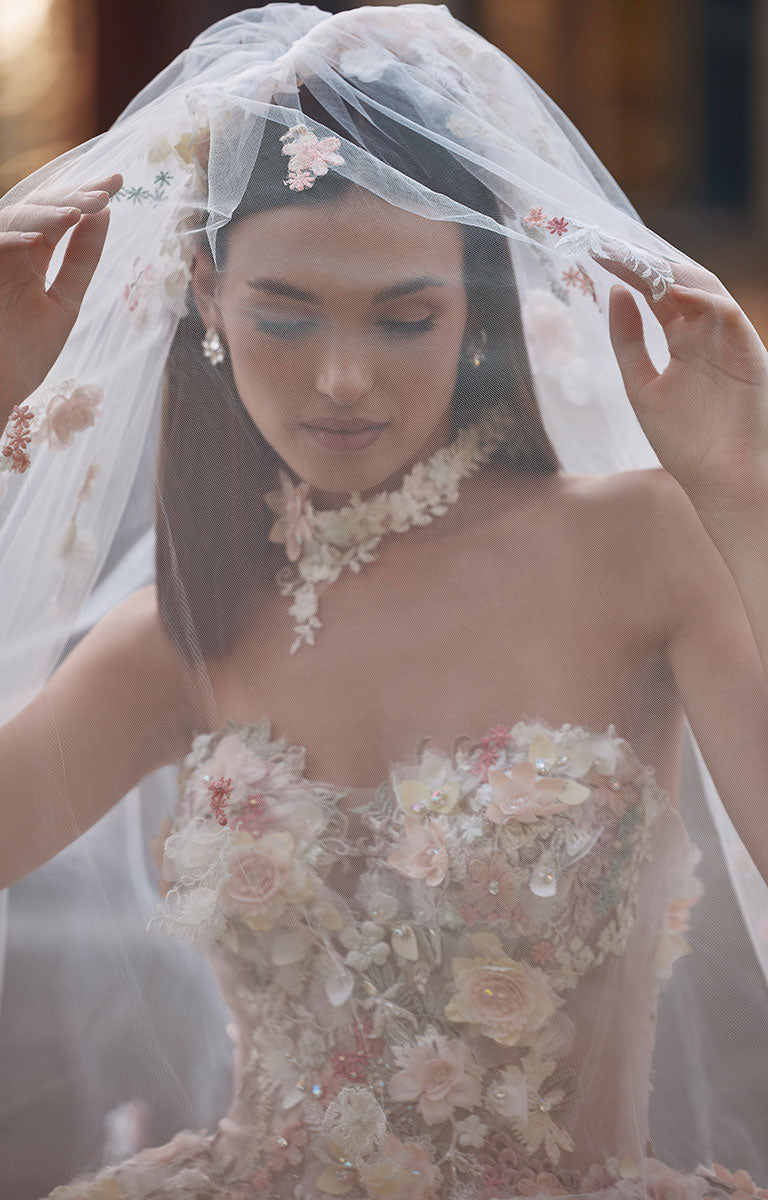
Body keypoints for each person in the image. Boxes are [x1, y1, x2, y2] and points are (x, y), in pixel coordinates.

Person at [0, 4, 767, 1197]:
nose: (343, 377)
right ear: (204, 295)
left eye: (405, 317)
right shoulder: (186, 627)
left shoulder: (633, 548)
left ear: (474, 311)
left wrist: (740, 491)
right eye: (285, 312)